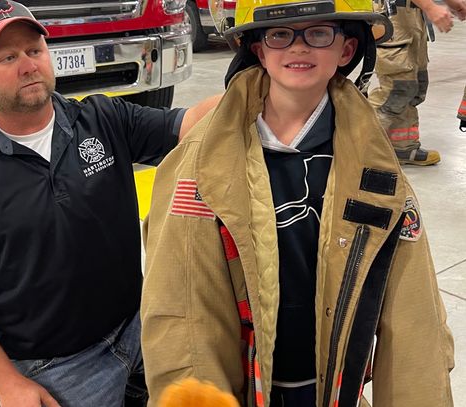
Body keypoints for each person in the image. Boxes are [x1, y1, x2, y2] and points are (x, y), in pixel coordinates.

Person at [140, 0, 454, 405]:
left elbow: (414, 319)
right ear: (258, 49)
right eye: (280, 33)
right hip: (239, 389)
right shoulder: (199, 165)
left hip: (332, 388)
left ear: (346, 50)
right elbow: (178, 306)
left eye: (319, 33)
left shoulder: (378, 171)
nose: (299, 47)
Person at [0, 1, 219, 406]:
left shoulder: (102, 119)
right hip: (57, 370)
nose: (28, 65)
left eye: (34, 51)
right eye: (7, 57)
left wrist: (258, 80)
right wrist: (7, 384)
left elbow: (189, 125)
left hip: (140, 333)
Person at [369, 0, 466, 165]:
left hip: (412, 15)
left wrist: (453, 4)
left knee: (416, 86)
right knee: (398, 88)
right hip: (392, 14)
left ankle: (402, 147)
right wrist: (430, 7)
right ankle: (354, 146)